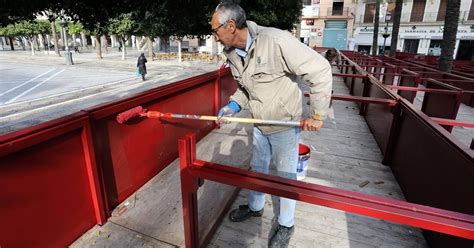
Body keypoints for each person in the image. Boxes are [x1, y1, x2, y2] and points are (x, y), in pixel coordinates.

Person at [211, 3, 332, 247]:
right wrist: (234, 105)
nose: (214, 36)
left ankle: (286, 224)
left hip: (284, 124)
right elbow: (246, 88)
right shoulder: (233, 53)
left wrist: (317, 115)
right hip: (259, 123)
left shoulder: (276, 40)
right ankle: (256, 207)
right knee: (258, 168)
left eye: (215, 30)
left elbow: (321, 69)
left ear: (231, 26)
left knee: (285, 177)